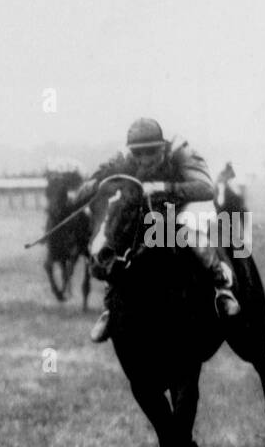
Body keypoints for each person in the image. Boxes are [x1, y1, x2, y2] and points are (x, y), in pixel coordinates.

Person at [74, 117, 240, 343]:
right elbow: (82, 192)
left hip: (182, 203)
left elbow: (205, 188)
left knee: (190, 229)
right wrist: (100, 185)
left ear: (162, 148)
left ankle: (221, 286)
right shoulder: (123, 158)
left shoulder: (182, 152)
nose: (144, 160)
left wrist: (163, 187)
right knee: (111, 240)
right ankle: (110, 305)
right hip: (146, 207)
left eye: (151, 152)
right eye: (138, 154)